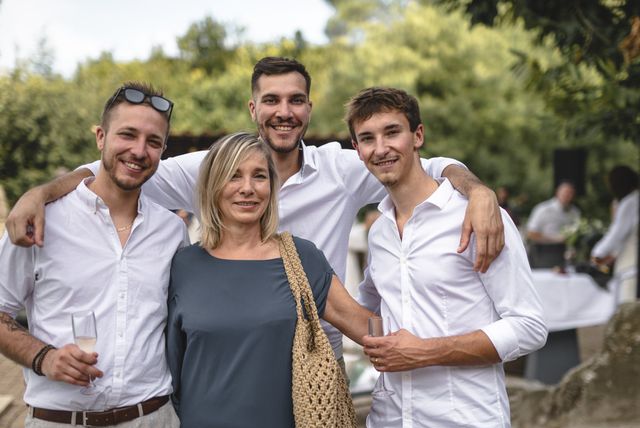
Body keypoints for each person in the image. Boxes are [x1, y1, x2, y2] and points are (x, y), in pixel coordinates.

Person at [5, 57, 505, 369]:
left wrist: (476, 190)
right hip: (235, 350)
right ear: (253, 107)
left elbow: (429, 164)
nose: (283, 111)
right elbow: (121, 165)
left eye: (295, 100)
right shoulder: (213, 167)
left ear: (310, 109)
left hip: (314, 356)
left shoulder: (341, 167)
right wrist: (42, 193)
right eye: (271, 100)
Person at [345, 87, 547, 428]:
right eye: (367, 138)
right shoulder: (380, 231)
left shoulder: (479, 217)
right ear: (357, 149)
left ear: (418, 136)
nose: (381, 147)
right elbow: (371, 306)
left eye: (392, 132)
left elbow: (529, 327)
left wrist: (425, 352)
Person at [0, 82, 188, 428]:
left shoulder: (171, 232)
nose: (139, 150)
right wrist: (44, 357)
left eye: (153, 141)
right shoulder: (41, 220)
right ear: (100, 137)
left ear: (163, 152)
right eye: (127, 134)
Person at [166, 132, 372, 428]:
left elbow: (367, 328)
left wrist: (440, 342)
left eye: (259, 176)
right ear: (213, 185)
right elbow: (170, 369)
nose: (248, 188)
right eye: (234, 175)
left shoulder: (301, 258)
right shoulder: (183, 266)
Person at [591, 165, 639, 303]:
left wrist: (596, 253)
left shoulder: (630, 202)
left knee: (627, 308)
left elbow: (617, 233)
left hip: (631, 265)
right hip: (629, 262)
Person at [526, 181, 580, 267]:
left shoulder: (574, 212)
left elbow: (575, 235)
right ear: (557, 192)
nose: (567, 196)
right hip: (542, 253)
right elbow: (531, 234)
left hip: (564, 255)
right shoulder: (543, 209)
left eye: (570, 193)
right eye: (565, 193)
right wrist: (556, 239)